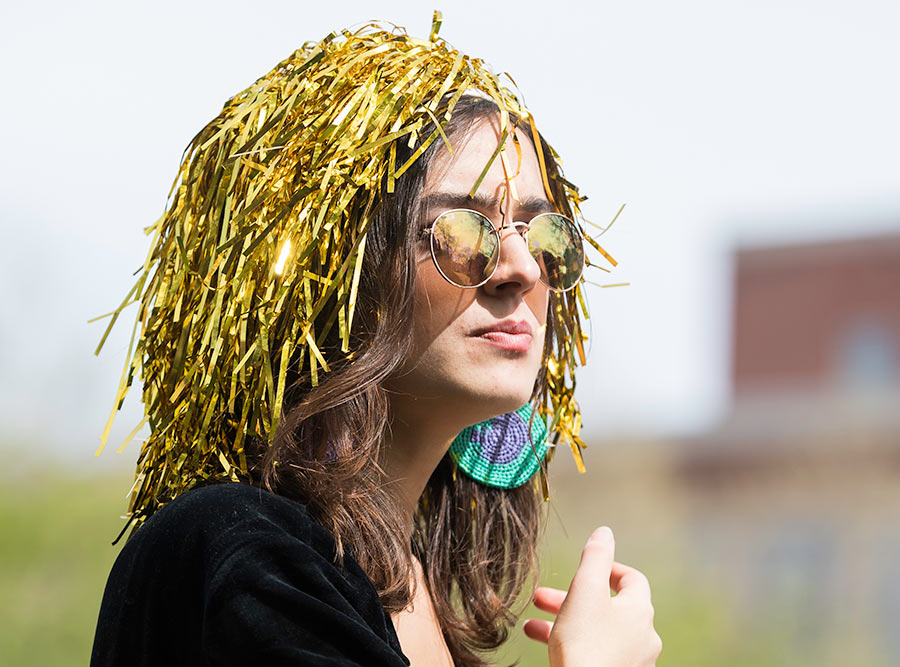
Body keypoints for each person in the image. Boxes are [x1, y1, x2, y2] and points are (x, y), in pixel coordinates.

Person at [91, 15, 662, 667]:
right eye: (462, 231)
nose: (521, 269)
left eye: (543, 234)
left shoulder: (413, 586)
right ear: (336, 271)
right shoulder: (240, 550)